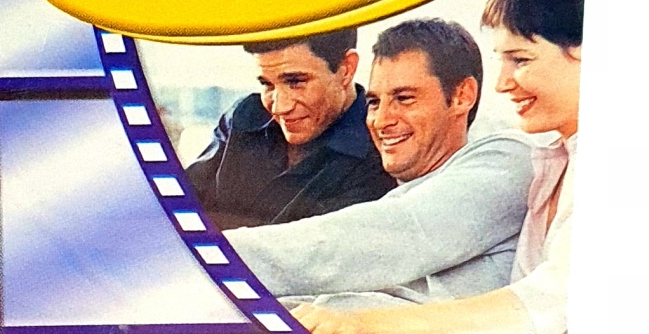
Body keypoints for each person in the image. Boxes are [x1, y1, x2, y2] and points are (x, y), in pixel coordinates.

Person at [291, 0, 583, 334]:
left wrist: (362, 323)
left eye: (520, 60)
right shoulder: (551, 165)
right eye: (374, 101)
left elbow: (540, 305)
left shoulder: (515, 163)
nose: (502, 83)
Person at [224, 17, 532, 304]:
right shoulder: (387, 195)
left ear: (462, 96)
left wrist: (211, 256)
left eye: (404, 98)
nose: (381, 120)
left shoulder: (509, 161)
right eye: (373, 102)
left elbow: (361, 244)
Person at [184, 29, 397, 229]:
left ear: (346, 69)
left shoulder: (384, 153)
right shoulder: (245, 116)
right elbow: (178, 208)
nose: (279, 107)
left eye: (295, 82)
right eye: (267, 85)